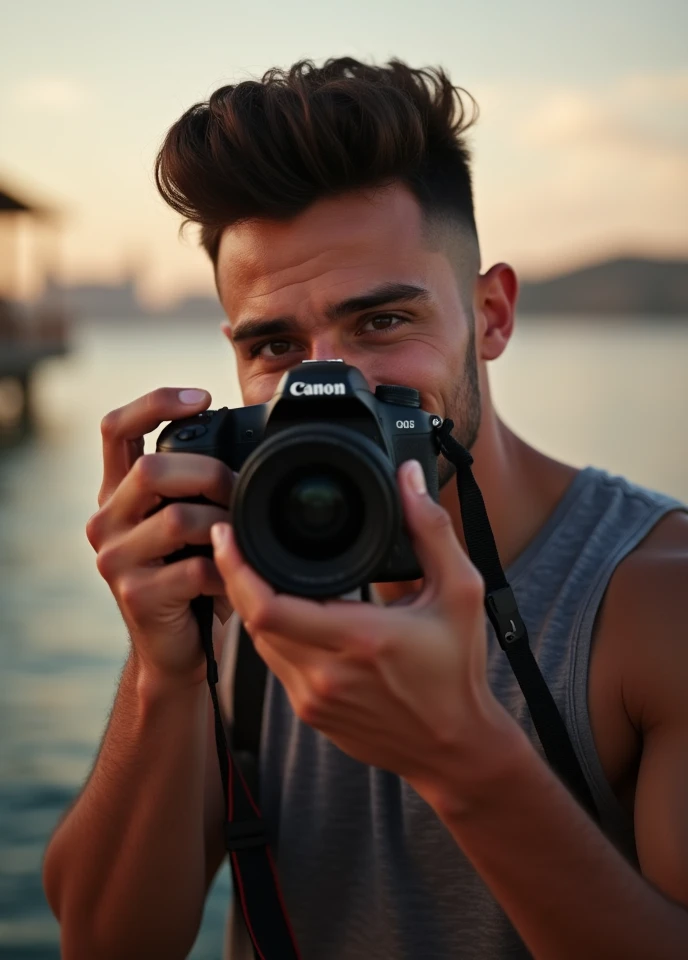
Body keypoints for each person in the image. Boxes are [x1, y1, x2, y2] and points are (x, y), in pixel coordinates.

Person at [42, 58, 688, 960]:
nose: (328, 383)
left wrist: (463, 754)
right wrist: (164, 668)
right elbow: (106, 944)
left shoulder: (653, 599)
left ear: (491, 316)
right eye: (274, 345)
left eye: (382, 323)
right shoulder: (237, 580)